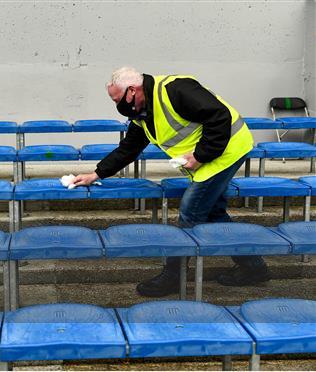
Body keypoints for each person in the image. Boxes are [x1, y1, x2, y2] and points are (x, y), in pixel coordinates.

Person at [73, 67, 270, 297]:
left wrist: (199, 156)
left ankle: (174, 276)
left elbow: (219, 116)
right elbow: (129, 148)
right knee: (214, 214)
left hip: (227, 150)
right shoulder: (142, 111)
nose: (118, 107)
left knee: (191, 210)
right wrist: (96, 174)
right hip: (210, 157)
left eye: (117, 100)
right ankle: (254, 267)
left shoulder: (176, 90)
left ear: (132, 91)